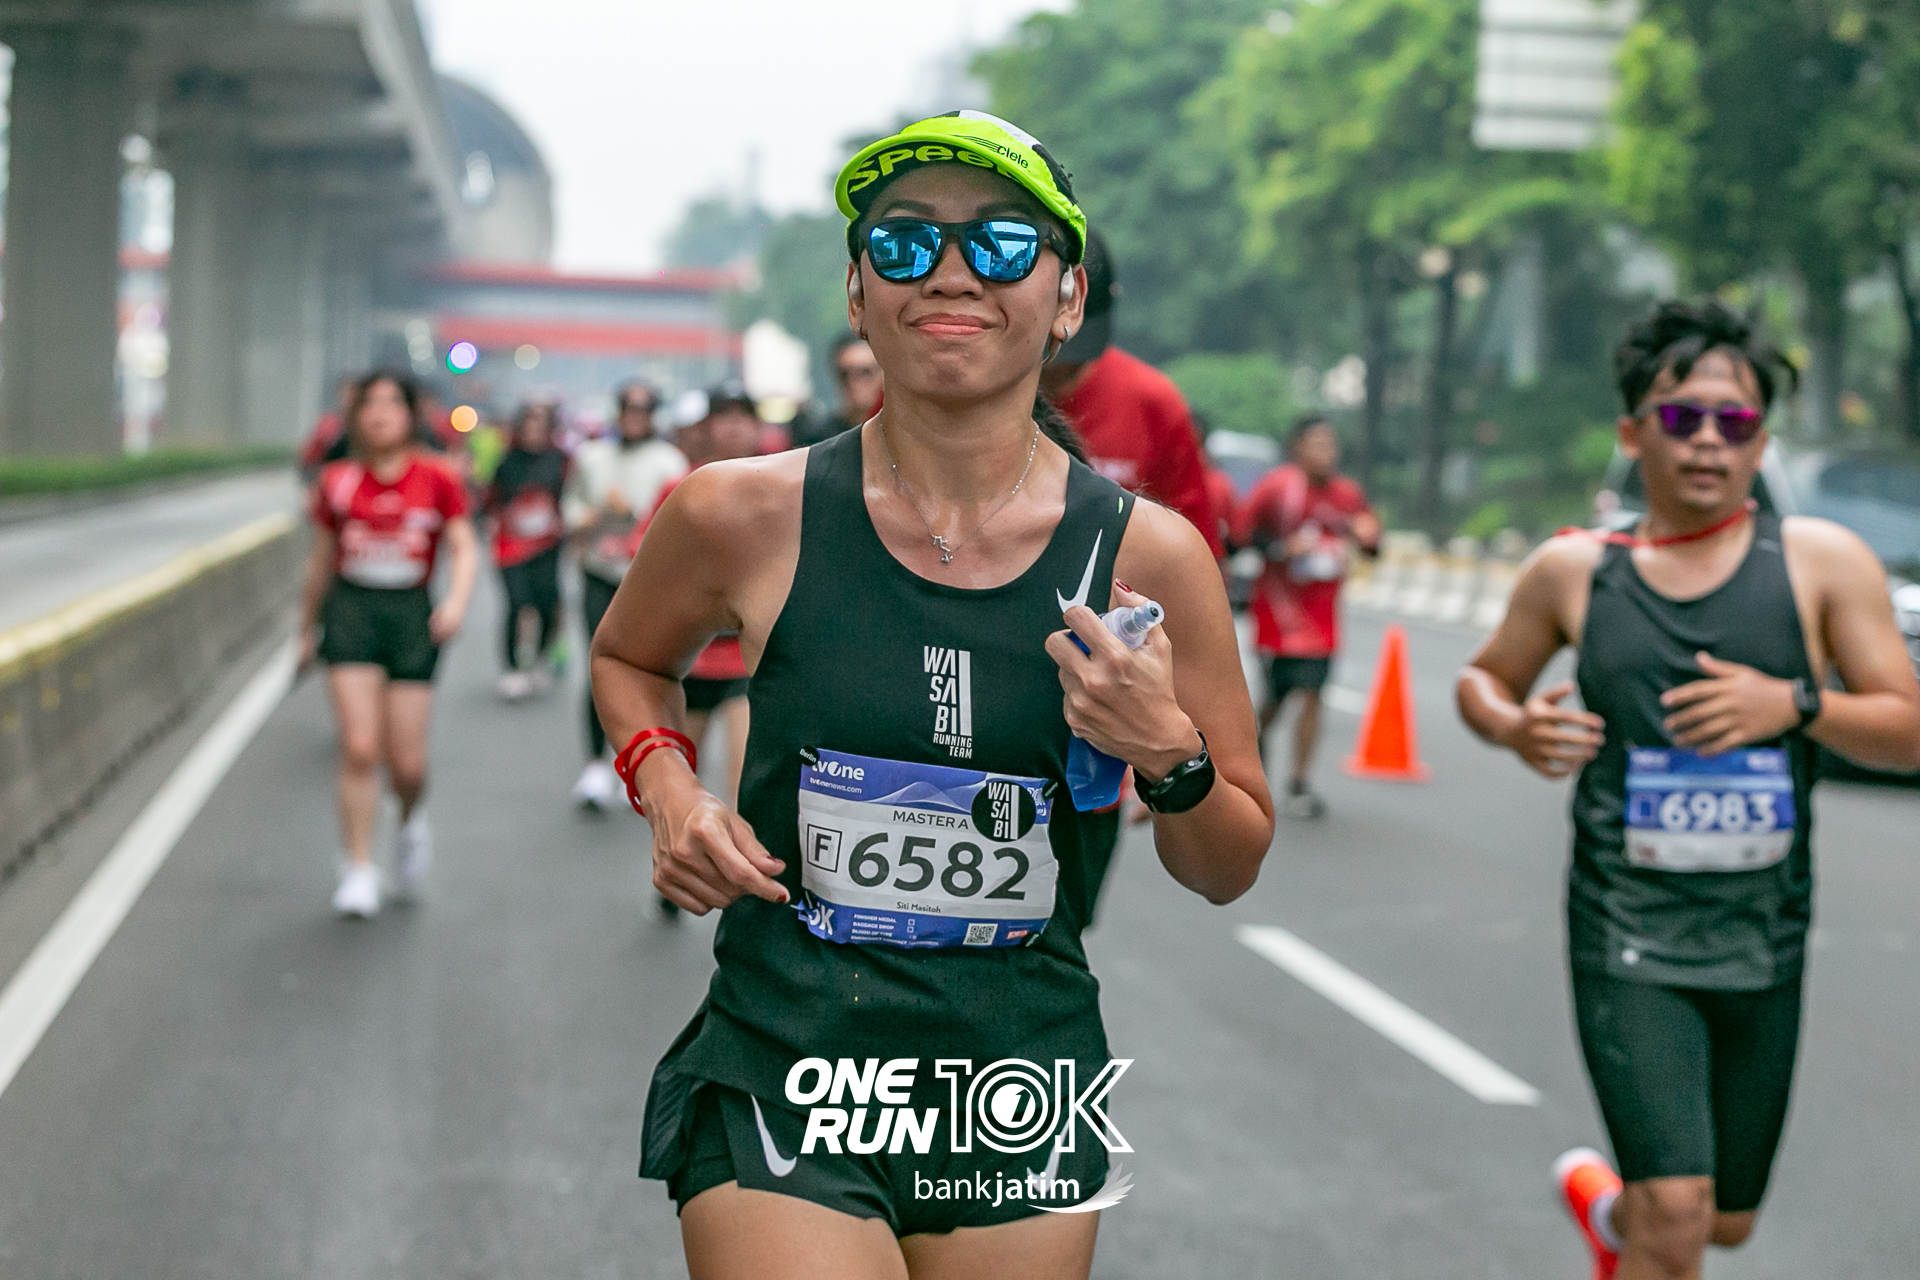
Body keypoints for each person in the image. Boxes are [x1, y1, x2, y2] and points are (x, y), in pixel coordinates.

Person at [590, 112, 1272, 1279]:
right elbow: (628, 658)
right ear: (860, 295)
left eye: (1001, 244)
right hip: (789, 1055)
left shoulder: (1148, 557)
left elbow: (1227, 864)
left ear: (1067, 300)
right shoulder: (740, 512)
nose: (952, 272)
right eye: (906, 244)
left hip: (1017, 1081)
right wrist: (669, 787)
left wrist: (1167, 747)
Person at [1457, 300, 1920, 1280]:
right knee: (1678, 1216)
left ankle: (1607, 1211)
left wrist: (1793, 703)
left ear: (1762, 441)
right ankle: (1641, 1219)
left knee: (1722, 1221)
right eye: (1682, 417)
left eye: (1736, 421)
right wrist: (1514, 725)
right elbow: (1483, 679)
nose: (1710, 440)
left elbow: (1906, 726)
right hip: (1626, 926)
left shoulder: (1821, 563)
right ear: (1635, 434)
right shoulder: (1576, 569)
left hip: (1764, 932)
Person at [1036, 228, 1229, 916]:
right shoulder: (950, 395)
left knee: (1064, 918)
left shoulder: (1153, 403)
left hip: (1095, 717)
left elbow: (1196, 573)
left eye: (1078, 354)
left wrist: (1171, 747)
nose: (1061, 375)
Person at [299, 371, 478, 918]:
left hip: (411, 617)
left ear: (410, 415)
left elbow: (463, 544)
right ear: (356, 417)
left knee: (408, 767)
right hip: (351, 612)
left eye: (391, 403)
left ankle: (408, 822)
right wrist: (306, 629)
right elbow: (321, 560)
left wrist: (456, 602)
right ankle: (357, 867)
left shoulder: (438, 477)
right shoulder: (337, 481)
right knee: (359, 747)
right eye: (369, 404)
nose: (379, 414)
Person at [1235, 416, 1380, 818]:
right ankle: (1254, 748)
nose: (1327, 452)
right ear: (1298, 446)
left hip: (1322, 620)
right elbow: (1242, 538)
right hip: (1278, 619)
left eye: (1331, 443)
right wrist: (1284, 548)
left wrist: (1368, 538)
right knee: (1276, 700)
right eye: (1318, 443)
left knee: (1314, 694)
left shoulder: (1348, 495)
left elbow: (1372, 545)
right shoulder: (1277, 488)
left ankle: (1299, 782)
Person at [564, 381, 688, 808]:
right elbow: (570, 509)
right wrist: (595, 514)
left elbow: (677, 518)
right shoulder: (591, 457)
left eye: (642, 409)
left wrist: (635, 515)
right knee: (599, 666)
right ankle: (595, 765)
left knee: (648, 671)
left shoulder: (669, 461)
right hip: (600, 571)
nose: (634, 416)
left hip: (647, 581)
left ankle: (638, 759)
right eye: (627, 409)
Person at [486, 400, 570, 700]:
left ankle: (540, 657)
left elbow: (571, 499)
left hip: (547, 546)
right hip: (511, 547)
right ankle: (512, 667)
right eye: (528, 425)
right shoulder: (506, 462)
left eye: (540, 426)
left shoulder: (561, 461)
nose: (533, 432)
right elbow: (491, 500)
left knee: (546, 603)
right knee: (517, 602)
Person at [793, 333, 885, 447]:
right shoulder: (818, 438)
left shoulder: (898, 434)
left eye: (865, 372)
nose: (854, 381)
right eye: (845, 374)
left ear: (883, 375)